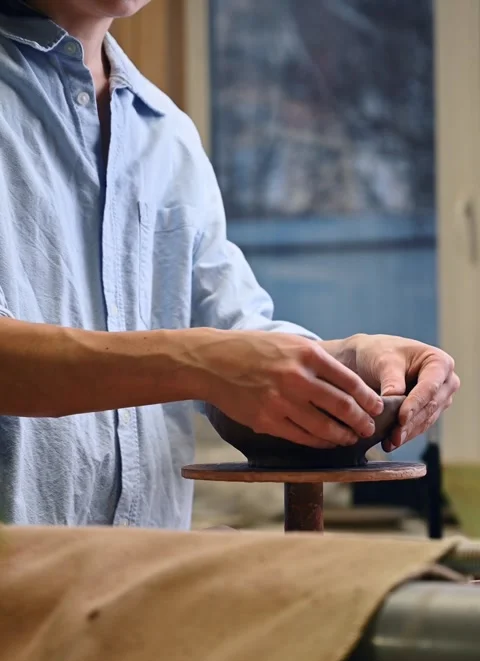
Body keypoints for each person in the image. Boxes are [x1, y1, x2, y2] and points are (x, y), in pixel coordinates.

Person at [0, 0, 460, 527]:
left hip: (148, 571)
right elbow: (218, 358)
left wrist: (354, 359)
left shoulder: (167, 135)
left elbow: (237, 336)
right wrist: (200, 363)